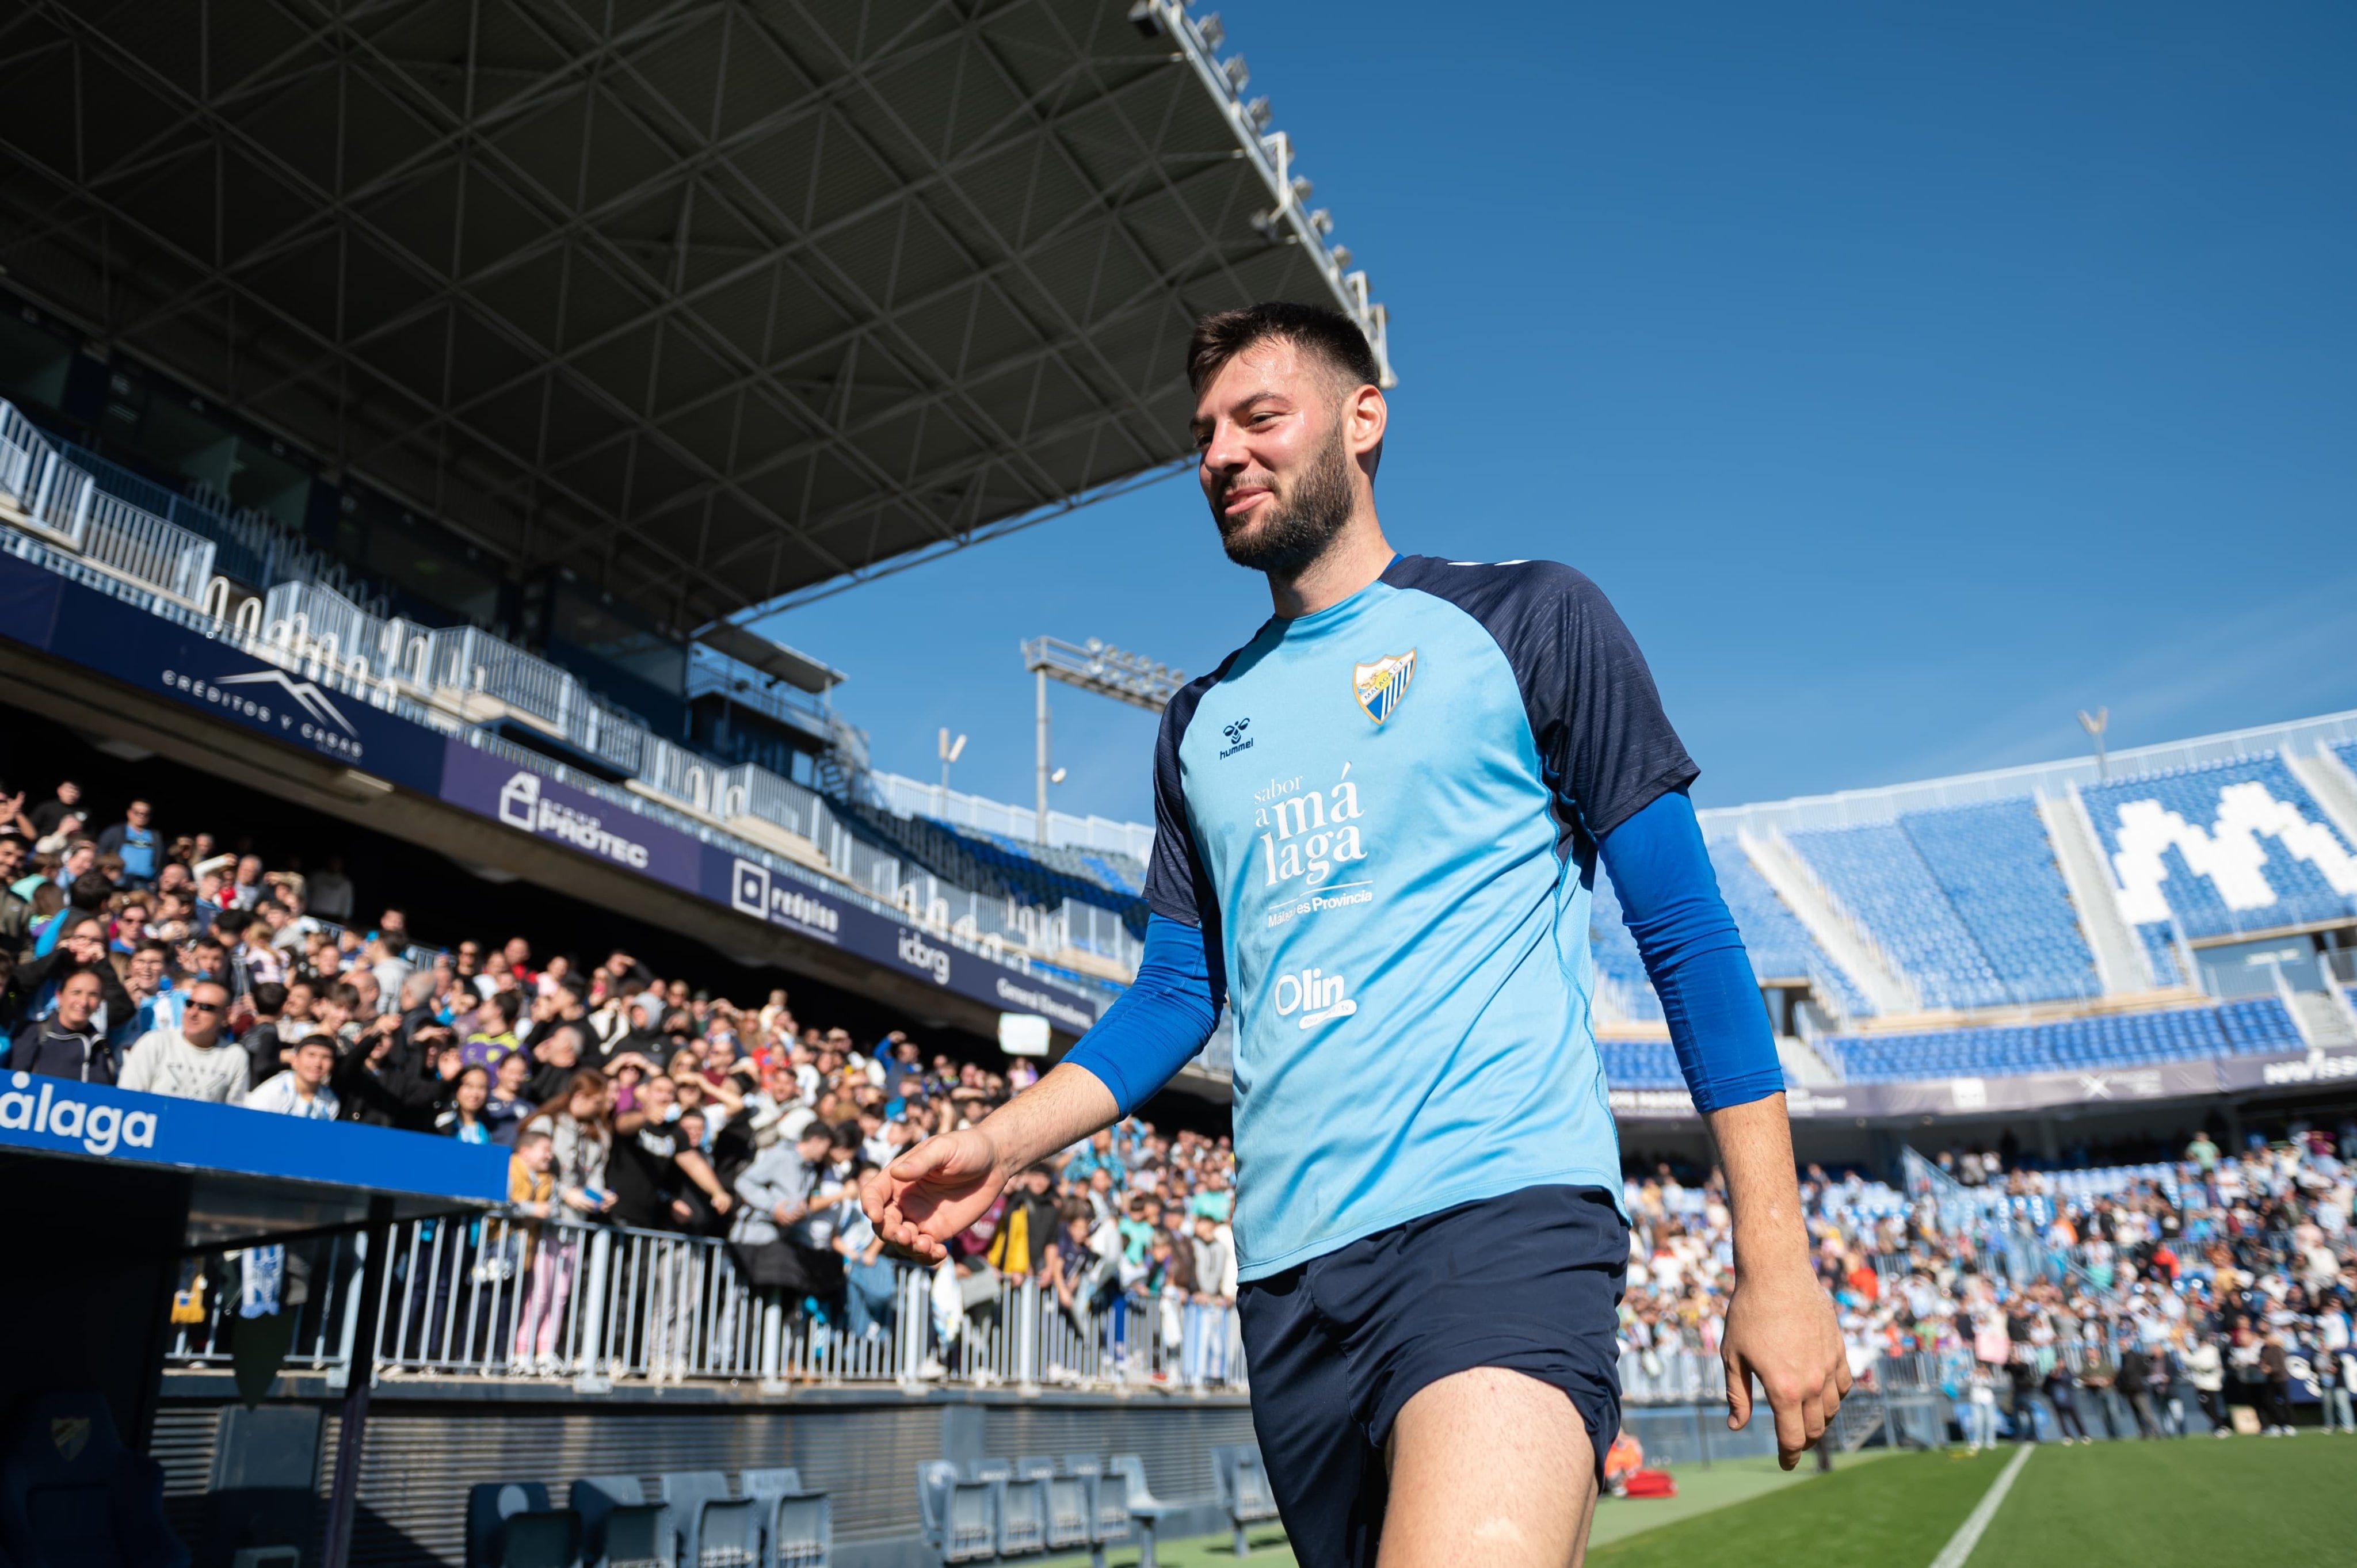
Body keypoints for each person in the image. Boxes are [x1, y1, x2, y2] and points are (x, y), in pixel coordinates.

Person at [865, 301, 1845, 1568]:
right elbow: (1175, 991)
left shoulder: (1530, 620)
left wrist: (1773, 1261)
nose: (1221, 453)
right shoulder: (1197, 724)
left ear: (1362, 419)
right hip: (1287, 1285)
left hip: (1497, 1225)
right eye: (1203, 434)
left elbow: (1689, 940)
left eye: (1259, 417)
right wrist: (1003, 1143)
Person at [117, 980, 248, 1103]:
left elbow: (233, 1115)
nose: (193, 1013)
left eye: (206, 1007)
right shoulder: (154, 1043)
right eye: (189, 1004)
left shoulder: (235, 1056)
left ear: (226, 1016)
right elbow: (127, 1100)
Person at [6, 967, 112, 1082]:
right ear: (59, 996)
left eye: (93, 995)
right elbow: (10, 1083)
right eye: (76, 992)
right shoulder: (33, 1033)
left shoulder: (100, 1044)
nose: (84, 1002)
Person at [247, 1036, 342, 1120]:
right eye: (311, 1055)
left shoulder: (331, 1101)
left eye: (326, 1057)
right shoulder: (272, 1092)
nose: (318, 1063)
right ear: (294, 1060)